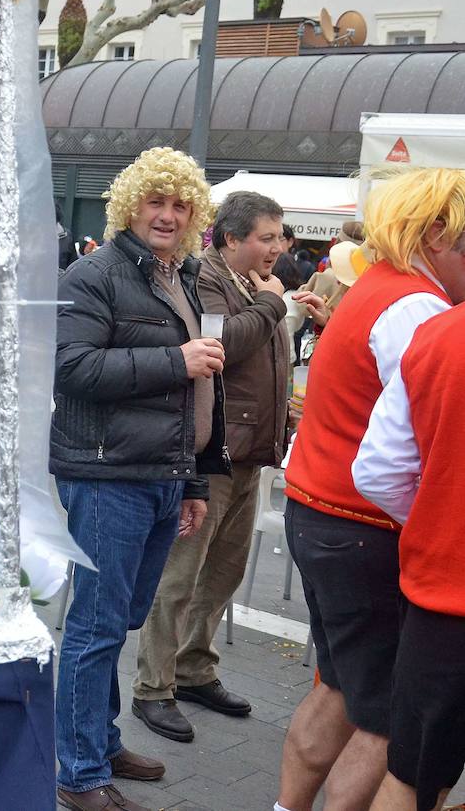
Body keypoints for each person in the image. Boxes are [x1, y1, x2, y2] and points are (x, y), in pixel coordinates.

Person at [276, 168, 465, 811]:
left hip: (320, 510)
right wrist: (433, 519)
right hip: (364, 523)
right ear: (438, 235)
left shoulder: (379, 289)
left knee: (338, 686)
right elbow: (417, 437)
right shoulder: (418, 307)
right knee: (384, 718)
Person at [51, 146, 229, 811]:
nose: (168, 213)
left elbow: (197, 393)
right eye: (156, 201)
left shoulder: (177, 276)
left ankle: (97, 734)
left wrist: (195, 480)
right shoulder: (94, 272)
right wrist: (173, 359)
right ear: (130, 204)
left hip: (158, 474)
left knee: (119, 620)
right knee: (96, 626)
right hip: (105, 473)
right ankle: (78, 770)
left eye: (180, 203)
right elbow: (71, 368)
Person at [132, 192, 328, 742]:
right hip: (212, 452)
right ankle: (154, 686)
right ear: (232, 238)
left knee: (224, 571)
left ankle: (195, 668)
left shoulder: (254, 286)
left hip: (249, 452)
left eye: (280, 235)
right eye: (266, 237)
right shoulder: (210, 278)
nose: (278, 246)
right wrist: (273, 305)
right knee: (181, 574)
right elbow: (222, 347)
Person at [354, 300, 465, 811]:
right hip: (444, 592)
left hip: (445, 593)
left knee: (415, 776)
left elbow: (379, 472)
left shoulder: (439, 333)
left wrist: (436, 517)